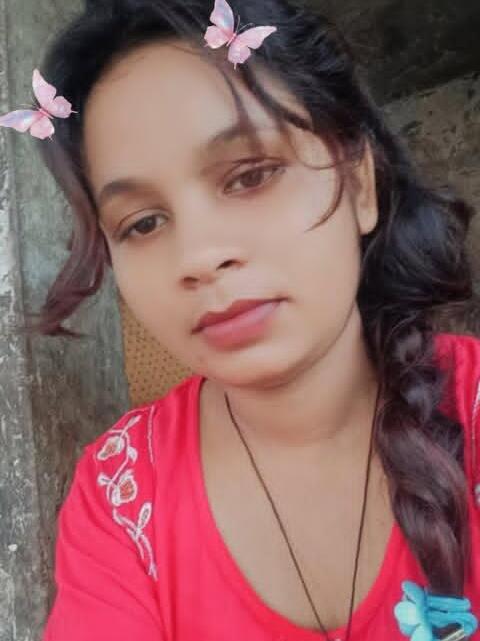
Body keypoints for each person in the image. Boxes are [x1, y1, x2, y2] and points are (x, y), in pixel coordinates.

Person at [10, 0, 479, 639]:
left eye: (251, 176)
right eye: (142, 223)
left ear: (360, 183)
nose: (199, 257)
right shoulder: (118, 496)